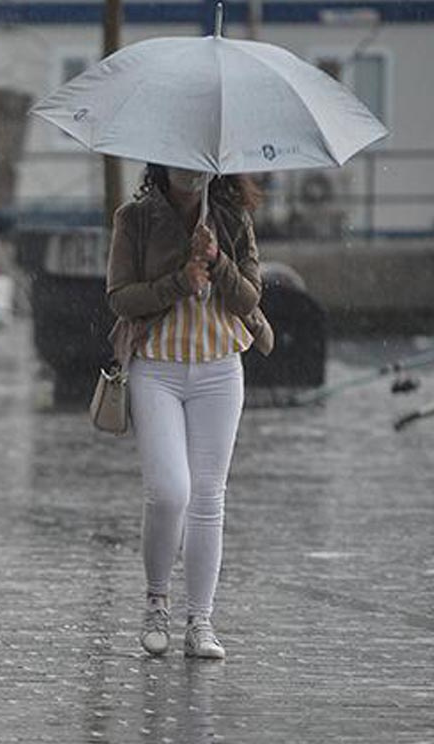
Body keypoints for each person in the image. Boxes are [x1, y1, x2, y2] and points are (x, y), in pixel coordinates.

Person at [105, 164, 273, 659]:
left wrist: (218, 261)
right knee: (168, 491)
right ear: (162, 162)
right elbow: (120, 298)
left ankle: (200, 619)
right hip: (156, 366)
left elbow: (250, 296)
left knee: (207, 497)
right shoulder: (133, 219)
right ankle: (157, 600)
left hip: (220, 368)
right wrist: (181, 279)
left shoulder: (232, 217)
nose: (190, 173)